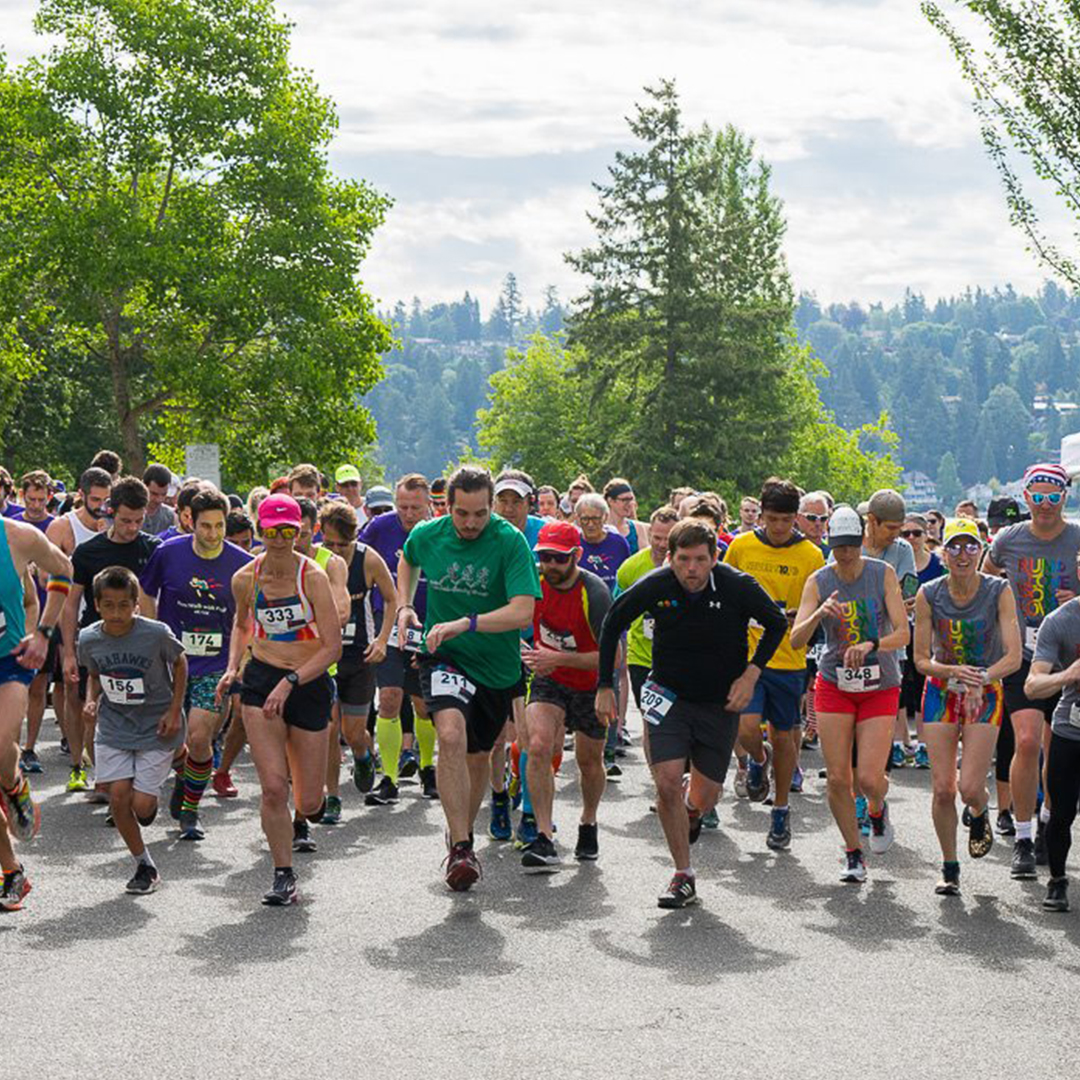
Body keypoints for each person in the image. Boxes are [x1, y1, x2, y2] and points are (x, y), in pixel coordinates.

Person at [597, 519, 786, 908]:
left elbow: (776, 623)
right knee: (666, 782)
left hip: (719, 702)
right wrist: (603, 686)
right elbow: (613, 621)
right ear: (670, 558)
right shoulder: (658, 583)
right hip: (668, 695)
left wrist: (751, 674)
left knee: (704, 797)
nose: (692, 569)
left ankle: (694, 809)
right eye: (683, 560)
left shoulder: (736, 585)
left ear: (714, 558)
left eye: (700, 559)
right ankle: (683, 874)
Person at [396, 466, 540, 892]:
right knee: (451, 735)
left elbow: (523, 611)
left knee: (479, 756)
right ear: (447, 506)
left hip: (495, 666)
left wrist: (467, 622)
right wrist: (406, 605)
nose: (471, 523)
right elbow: (408, 559)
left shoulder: (509, 541)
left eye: (480, 513)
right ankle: (460, 847)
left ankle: (463, 833)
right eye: (462, 513)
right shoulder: (429, 533)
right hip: (446, 657)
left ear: (491, 506)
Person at [216, 494, 341, 905]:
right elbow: (242, 626)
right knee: (272, 788)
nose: (282, 539)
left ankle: (309, 806)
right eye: (273, 531)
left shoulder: (313, 577)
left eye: (290, 531)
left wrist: (291, 681)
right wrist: (233, 667)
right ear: (260, 531)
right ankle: (283, 874)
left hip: (308, 680)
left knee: (308, 799)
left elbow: (332, 647)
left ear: (301, 531)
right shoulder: (245, 579)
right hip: (262, 679)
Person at [790, 505, 909, 883]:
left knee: (869, 779)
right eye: (839, 546)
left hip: (880, 684)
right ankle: (853, 852)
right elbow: (796, 639)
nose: (845, 554)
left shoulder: (881, 573)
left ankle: (876, 808)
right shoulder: (819, 581)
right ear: (830, 543)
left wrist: (872, 643)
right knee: (839, 778)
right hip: (835, 682)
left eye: (851, 546)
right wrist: (818, 613)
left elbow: (903, 634)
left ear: (862, 541)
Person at [913, 518, 1021, 895]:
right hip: (941, 691)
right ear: (943, 553)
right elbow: (920, 660)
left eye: (971, 546)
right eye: (955, 547)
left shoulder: (998, 590)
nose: (963, 555)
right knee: (943, 789)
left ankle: (979, 808)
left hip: (985, 692)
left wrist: (981, 678)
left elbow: (1014, 656)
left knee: (970, 787)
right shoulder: (929, 593)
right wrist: (951, 671)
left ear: (982, 550)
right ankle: (950, 867)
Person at [982, 462, 1080, 879]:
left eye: (1052, 496)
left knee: (1054, 751)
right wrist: (1003, 611)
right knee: (1025, 741)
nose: (1044, 504)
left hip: (1067, 658)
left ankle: (1046, 822)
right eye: (1037, 496)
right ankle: (1022, 837)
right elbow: (986, 579)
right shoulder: (1009, 538)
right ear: (1026, 497)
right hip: (1022, 654)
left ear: (1064, 497)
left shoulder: (1076, 537)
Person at [139, 487, 252, 841]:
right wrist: (152, 633)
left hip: (216, 663)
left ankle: (190, 810)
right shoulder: (168, 552)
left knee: (201, 736)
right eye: (206, 526)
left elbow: (248, 617)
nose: (213, 534)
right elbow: (146, 591)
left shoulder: (241, 563)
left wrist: (240, 662)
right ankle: (185, 773)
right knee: (171, 738)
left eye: (219, 526)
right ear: (191, 522)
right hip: (172, 661)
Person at [724, 477, 825, 850]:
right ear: (761, 515)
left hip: (788, 659)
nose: (779, 527)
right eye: (772, 519)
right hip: (747, 657)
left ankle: (781, 809)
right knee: (746, 726)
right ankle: (757, 758)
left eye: (786, 520)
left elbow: (816, 607)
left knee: (784, 736)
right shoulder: (741, 546)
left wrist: (801, 617)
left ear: (796, 517)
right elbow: (724, 591)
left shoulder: (811, 555)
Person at [77, 567, 187, 894]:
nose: (116, 613)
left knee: (143, 808)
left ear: (136, 605)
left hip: (156, 724)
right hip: (115, 724)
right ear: (97, 605)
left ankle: (180, 761)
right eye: (109, 605)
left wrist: (174, 710)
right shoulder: (89, 638)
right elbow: (94, 675)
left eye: (124, 605)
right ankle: (144, 866)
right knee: (118, 797)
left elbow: (180, 663)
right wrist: (91, 700)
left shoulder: (156, 633)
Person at [519, 521, 612, 870]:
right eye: (545, 557)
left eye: (559, 558)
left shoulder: (595, 592)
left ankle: (588, 821)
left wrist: (557, 657)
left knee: (589, 762)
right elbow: (511, 619)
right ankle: (543, 835)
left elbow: (612, 657)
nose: (551, 565)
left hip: (591, 683)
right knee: (538, 746)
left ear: (577, 555)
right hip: (549, 679)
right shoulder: (533, 583)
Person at [0, 514, 73, 910]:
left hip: (8, 663)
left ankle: (13, 785)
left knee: (0, 749)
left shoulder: (17, 537)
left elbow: (63, 571)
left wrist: (43, 633)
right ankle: (12, 872)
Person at [63, 477, 159, 780]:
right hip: (96, 643)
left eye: (139, 521)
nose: (132, 528)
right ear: (111, 512)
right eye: (125, 520)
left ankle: (122, 777)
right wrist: (69, 653)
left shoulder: (153, 549)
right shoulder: (88, 552)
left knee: (134, 710)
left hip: (140, 646)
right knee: (86, 706)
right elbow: (70, 604)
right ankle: (84, 768)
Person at [317, 500, 402, 807]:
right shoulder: (315, 559)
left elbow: (392, 599)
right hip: (324, 655)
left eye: (343, 544)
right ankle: (332, 796)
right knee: (329, 729)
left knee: (353, 733)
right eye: (329, 543)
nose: (335, 551)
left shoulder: (368, 559)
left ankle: (364, 754)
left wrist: (382, 640)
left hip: (359, 655)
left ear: (354, 538)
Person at [359, 474, 436, 806]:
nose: (408, 514)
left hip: (427, 623)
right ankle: (389, 778)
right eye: (402, 506)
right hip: (387, 622)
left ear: (429, 505)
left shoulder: (441, 532)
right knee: (389, 697)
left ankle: (428, 768)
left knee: (423, 704)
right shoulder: (379, 527)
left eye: (415, 508)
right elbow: (355, 558)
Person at [46, 466, 110, 789]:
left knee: (102, 696)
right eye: (95, 500)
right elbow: (45, 575)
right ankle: (76, 765)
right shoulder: (62, 526)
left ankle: (104, 766)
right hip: (68, 617)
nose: (100, 506)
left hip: (107, 621)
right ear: (81, 495)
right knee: (73, 692)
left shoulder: (114, 526)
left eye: (105, 500)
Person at [1026, 545, 1080, 912]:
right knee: (1061, 812)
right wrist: (1068, 674)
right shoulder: (1060, 620)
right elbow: (1033, 685)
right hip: (1070, 730)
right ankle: (1058, 880)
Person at [895, 513, 946, 770]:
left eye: (916, 533)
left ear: (927, 535)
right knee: (900, 687)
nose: (911, 538)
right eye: (905, 534)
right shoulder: (894, 562)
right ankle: (900, 742)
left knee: (924, 687)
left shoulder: (937, 564)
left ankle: (925, 744)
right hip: (899, 630)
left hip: (929, 633)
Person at [604, 478, 648, 556]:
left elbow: (644, 557)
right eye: (624, 500)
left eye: (631, 499)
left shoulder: (637, 528)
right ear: (610, 501)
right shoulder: (600, 528)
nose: (629, 504)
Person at [142, 464, 178, 535]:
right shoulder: (129, 513)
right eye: (154, 494)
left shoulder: (171, 517)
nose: (159, 500)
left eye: (164, 494)